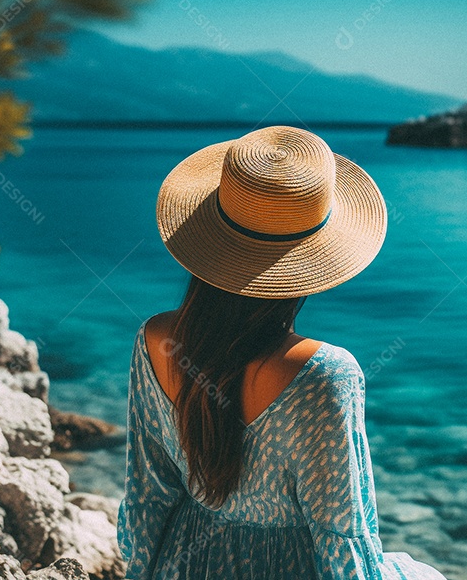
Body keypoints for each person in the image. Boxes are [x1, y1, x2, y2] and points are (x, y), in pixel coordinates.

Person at [117, 126, 448, 579]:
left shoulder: (154, 339)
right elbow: (341, 540)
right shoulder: (323, 374)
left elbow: (147, 497)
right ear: (313, 257)